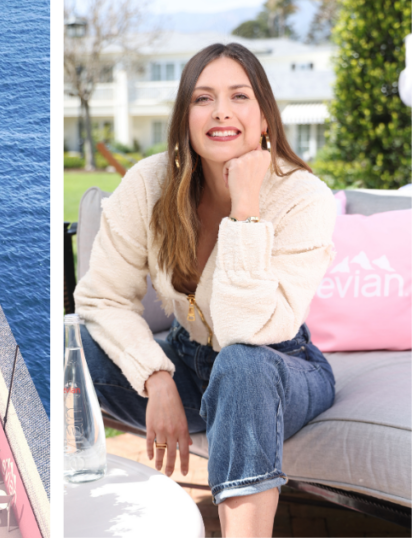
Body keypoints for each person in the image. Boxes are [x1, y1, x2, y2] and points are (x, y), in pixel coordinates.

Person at [73, 42, 337, 537]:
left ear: (264, 119)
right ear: (185, 118)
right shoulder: (149, 183)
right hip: (185, 360)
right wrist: (157, 378)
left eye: (239, 96)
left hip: (278, 367)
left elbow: (244, 331)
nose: (220, 112)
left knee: (240, 365)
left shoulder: (304, 197)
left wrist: (246, 206)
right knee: (76, 345)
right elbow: (101, 298)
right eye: (202, 99)